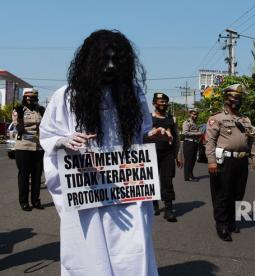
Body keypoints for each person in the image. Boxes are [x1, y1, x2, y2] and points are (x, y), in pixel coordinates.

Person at [39, 29, 163, 276]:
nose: (109, 67)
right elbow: (48, 136)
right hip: (87, 191)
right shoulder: (66, 96)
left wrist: (151, 135)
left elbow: (140, 133)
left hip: (127, 193)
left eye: (115, 60)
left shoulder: (134, 95)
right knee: (89, 253)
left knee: (132, 250)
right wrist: (65, 141)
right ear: (90, 62)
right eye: (103, 59)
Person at [206, 83, 255, 242]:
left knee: (238, 193)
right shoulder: (216, 119)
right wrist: (211, 162)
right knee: (222, 194)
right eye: (234, 97)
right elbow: (210, 142)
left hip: (242, 161)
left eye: (240, 98)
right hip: (224, 161)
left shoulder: (245, 120)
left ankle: (231, 221)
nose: (237, 100)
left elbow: (252, 141)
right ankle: (221, 224)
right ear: (226, 99)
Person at [147, 92, 182, 222]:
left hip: (167, 154)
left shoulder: (171, 119)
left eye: (165, 102)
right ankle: (154, 204)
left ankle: (168, 209)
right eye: (160, 101)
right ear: (154, 103)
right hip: (150, 154)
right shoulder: (148, 118)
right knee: (152, 179)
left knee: (167, 181)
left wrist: (178, 155)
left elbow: (177, 139)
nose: (163, 104)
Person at [14, 88, 45, 211]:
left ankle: (36, 201)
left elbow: (45, 127)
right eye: (28, 97)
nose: (30, 99)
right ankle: (24, 202)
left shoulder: (39, 110)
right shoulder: (19, 110)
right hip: (24, 147)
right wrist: (20, 117)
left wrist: (45, 114)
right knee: (24, 176)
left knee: (37, 176)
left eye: (33, 97)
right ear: (24, 97)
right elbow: (19, 129)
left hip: (38, 147)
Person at [182, 108, 202, 181]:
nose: (195, 116)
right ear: (190, 114)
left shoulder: (194, 123)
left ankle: (191, 175)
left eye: (196, 114)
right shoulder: (187, 122)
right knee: (188, 160)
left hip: (194, 143)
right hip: (188, 143)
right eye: (193, 114)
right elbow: (185, 133)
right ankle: (187, 177)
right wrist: (197, 133)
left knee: (193, 160)